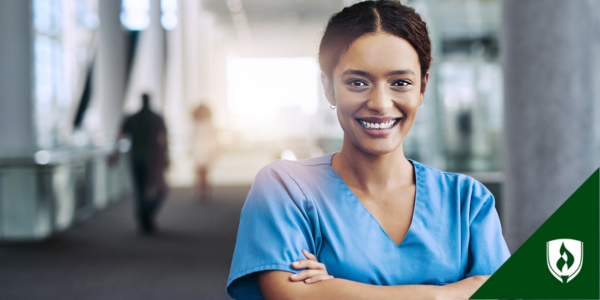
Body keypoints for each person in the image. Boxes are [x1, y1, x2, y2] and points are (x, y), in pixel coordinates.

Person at [226, 1, 510, 299]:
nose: (380, 103)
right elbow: (292, 296)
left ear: (423, 87)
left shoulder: (466, 199)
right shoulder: (286, 187)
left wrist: (335, 288)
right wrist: (447, 293)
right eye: (358, 82)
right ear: (329, 88)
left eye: (400, 82)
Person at [118, 93, 169, 234]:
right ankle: (146, 215)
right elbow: (164, 139)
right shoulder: (156, 118)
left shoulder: (132, 118)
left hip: (136, 158)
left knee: (140, 190)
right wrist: (165, 157)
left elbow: (120, 135)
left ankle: (143, 217)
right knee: (160, 189)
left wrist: (115, 154)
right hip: (152, 159)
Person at [190, 103, 218, 202]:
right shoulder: (203, 125)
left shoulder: (200, 125)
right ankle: (202, 191)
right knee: (202, 173)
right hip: (202, 152)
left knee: (202, 173)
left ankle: (202, 191)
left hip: (203, 152)